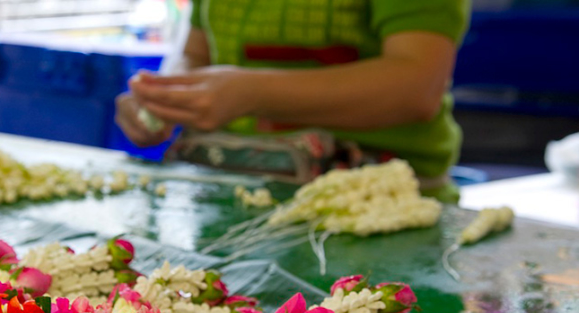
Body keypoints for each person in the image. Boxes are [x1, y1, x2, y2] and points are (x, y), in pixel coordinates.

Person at [115, 0, 471, 202]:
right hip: (227, 194)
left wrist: (253, 93)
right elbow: (194, 50)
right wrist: (165, 97)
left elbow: (416, 86)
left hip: (375, 203)